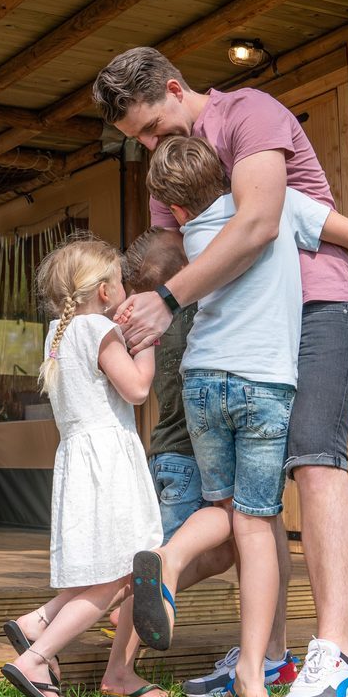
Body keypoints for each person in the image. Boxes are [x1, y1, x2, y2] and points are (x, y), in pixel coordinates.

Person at [95, 47, 348, 697]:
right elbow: (176, 256)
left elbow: (258, 221)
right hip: (243, 345)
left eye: (153, 127)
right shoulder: (173, 174)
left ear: (174, 86)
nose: (152, 144)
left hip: (315, 310)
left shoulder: (249, 112)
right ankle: (268, 656)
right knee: (253, 504)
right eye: (138, 141)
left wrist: (166, 300)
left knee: (314, 461)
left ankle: (334, 658)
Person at [0, 235, 168, 697]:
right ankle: (38, 655)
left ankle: (42, 620)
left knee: (110, 567)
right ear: (103, 290)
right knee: (123, 574)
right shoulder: (97, 329)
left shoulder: (59, 332)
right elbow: (135, 389)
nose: (123, 288)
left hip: (79, 457)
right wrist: (148, 340)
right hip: (109, 459)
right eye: (118, 280)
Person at [122, 228, 203, 540]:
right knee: (168, 552)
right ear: (185, 271)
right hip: (188, 456)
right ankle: (142, 590)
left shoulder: (151, 327)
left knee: (162, 543)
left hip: (160, 452)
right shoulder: (198, 313)